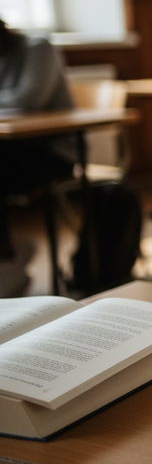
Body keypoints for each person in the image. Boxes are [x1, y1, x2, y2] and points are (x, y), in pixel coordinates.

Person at [0, 19, 76, 297]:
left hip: (55, 151)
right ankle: (9, 253)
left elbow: (29, 99)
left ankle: (8, 256)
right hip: (12, 150)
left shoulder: (36, 46)